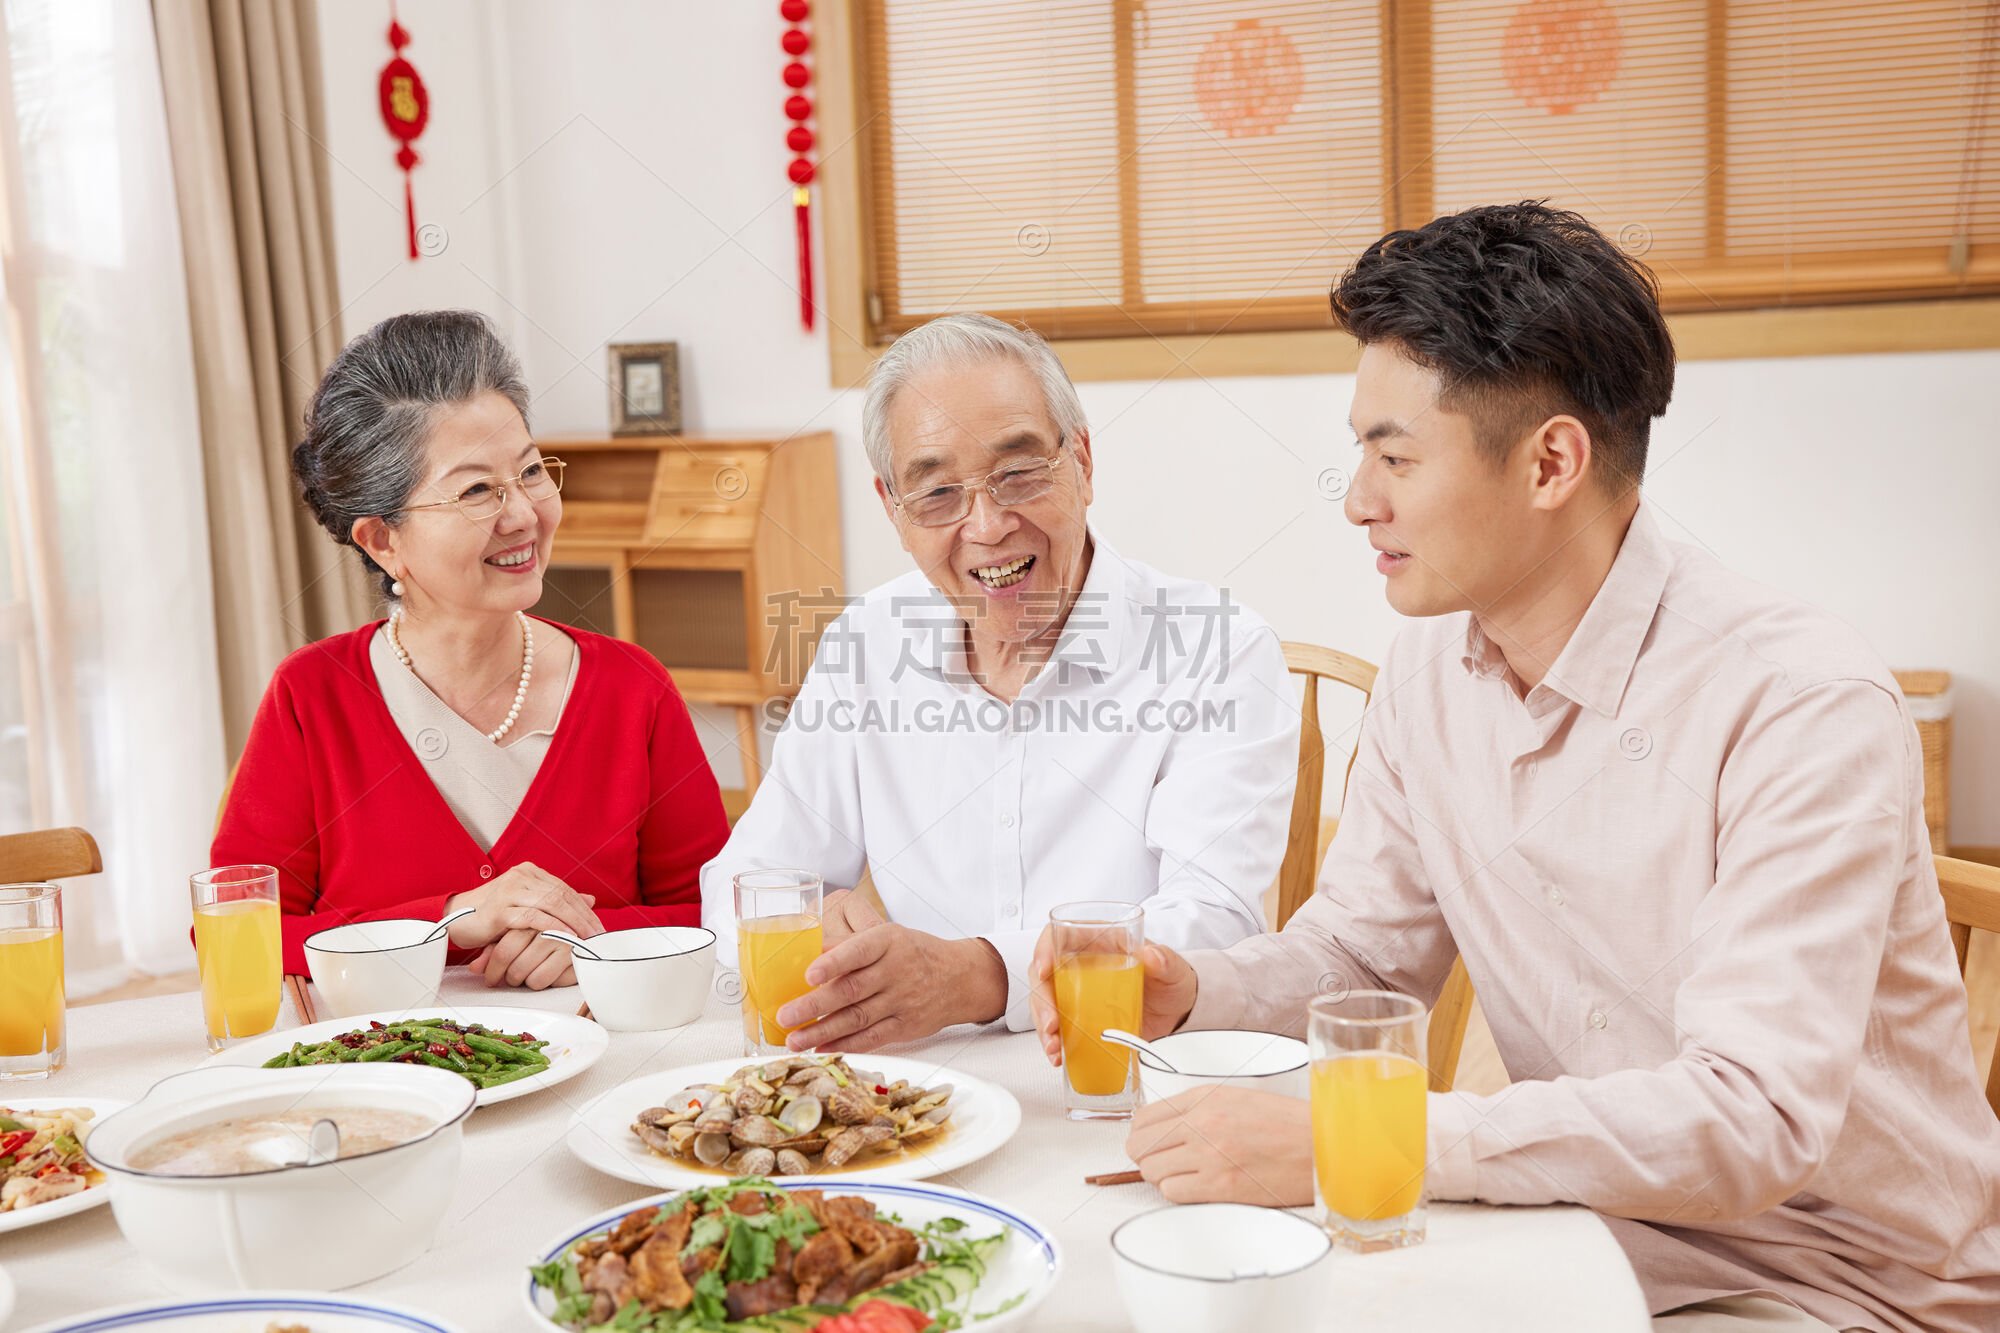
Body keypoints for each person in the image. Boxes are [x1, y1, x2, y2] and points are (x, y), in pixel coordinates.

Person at [1031, 204, 2000, 1331]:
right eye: (1359, 452)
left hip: (1838, 1280)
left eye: (1393, 455)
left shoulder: (1795, 706)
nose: (1357, 500)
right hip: (1584, 1225)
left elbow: (1749, 1119)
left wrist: (1364, 1127)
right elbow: (1359, 950)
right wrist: (1195, 989)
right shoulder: (1426, 673)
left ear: (1550, 461)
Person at [701, 313, 1297, 1049]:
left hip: (1129, 1074)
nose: (987, 525)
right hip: (923, 1089)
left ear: (1081, 461)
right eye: (938, 494)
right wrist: (804, 925)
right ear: (894, 509)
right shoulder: (865, 644)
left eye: (1018, 474)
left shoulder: (1219, 649)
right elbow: (743, 884)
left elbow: (1212, 925)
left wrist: (980, 975)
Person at [213, 310, 728, 987]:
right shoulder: (313, 696)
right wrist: (450, 919)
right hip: (385, 1082)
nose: (523, 515)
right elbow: (231, 936)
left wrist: (597, 941)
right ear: (381, 540)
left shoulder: (633, 688)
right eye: (477, 490)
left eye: (532, 472)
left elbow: (716, 911)